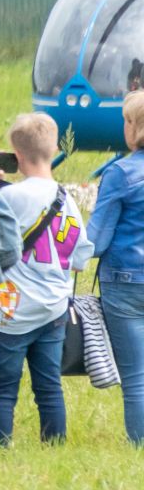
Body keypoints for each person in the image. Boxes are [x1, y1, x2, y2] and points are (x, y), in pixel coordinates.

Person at [0, 113, 90, 445]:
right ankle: (54, 444)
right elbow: (80, 259)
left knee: (3, 388)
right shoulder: (68, 201)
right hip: (53, 308)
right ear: (55, 148)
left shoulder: (11, 197)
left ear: (16, 156)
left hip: (11, 309)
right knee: (48, 386)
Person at [89, 92, 144, 444]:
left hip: (125, 282)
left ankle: (140, 445)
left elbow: (97, 240)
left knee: (137, 377)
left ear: (134, 127)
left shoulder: (120, 173)